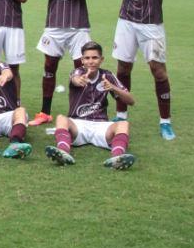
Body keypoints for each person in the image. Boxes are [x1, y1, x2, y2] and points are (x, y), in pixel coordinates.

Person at [112, 0, 177, 140]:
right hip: (126, 20)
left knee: (158, 71)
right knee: (123, 69)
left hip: (151, 21)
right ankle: (121, 115)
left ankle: (165, 122)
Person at [31, 0, 94, 127]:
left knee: (81, 68)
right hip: (54, 24)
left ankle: (79, 111)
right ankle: (45, 112)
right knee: (49, 67)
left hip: (78, 25)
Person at [45, 42, 136, 170]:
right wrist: (78, 80)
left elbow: (131, 101)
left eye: (95, 58)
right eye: (87, 58)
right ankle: (62, 152)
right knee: (61, 118)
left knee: (123, 124)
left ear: (101, 59)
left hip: (101, 126)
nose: (91, 61)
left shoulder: (107, 76)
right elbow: (75, 78)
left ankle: (118, 157)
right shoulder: (77, 72)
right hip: (78, 125)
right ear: (82, 60)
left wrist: (114, 88)